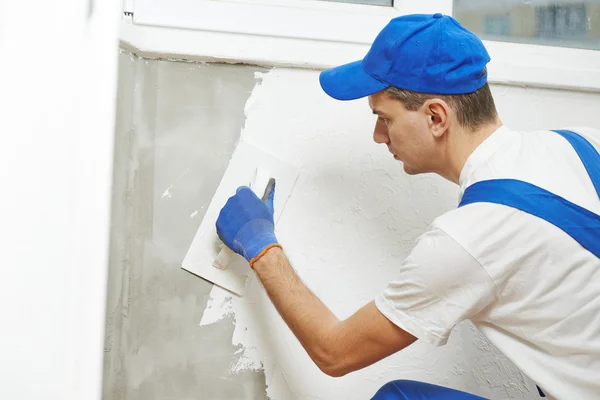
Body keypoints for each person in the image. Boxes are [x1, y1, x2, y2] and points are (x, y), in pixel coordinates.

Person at [215, 13, 600, 400]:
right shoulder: (582, 145)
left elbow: (335, 352)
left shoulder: (469, 239)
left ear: (436, 117)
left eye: (385, 118)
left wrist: (260, 245)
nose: (378, 136)